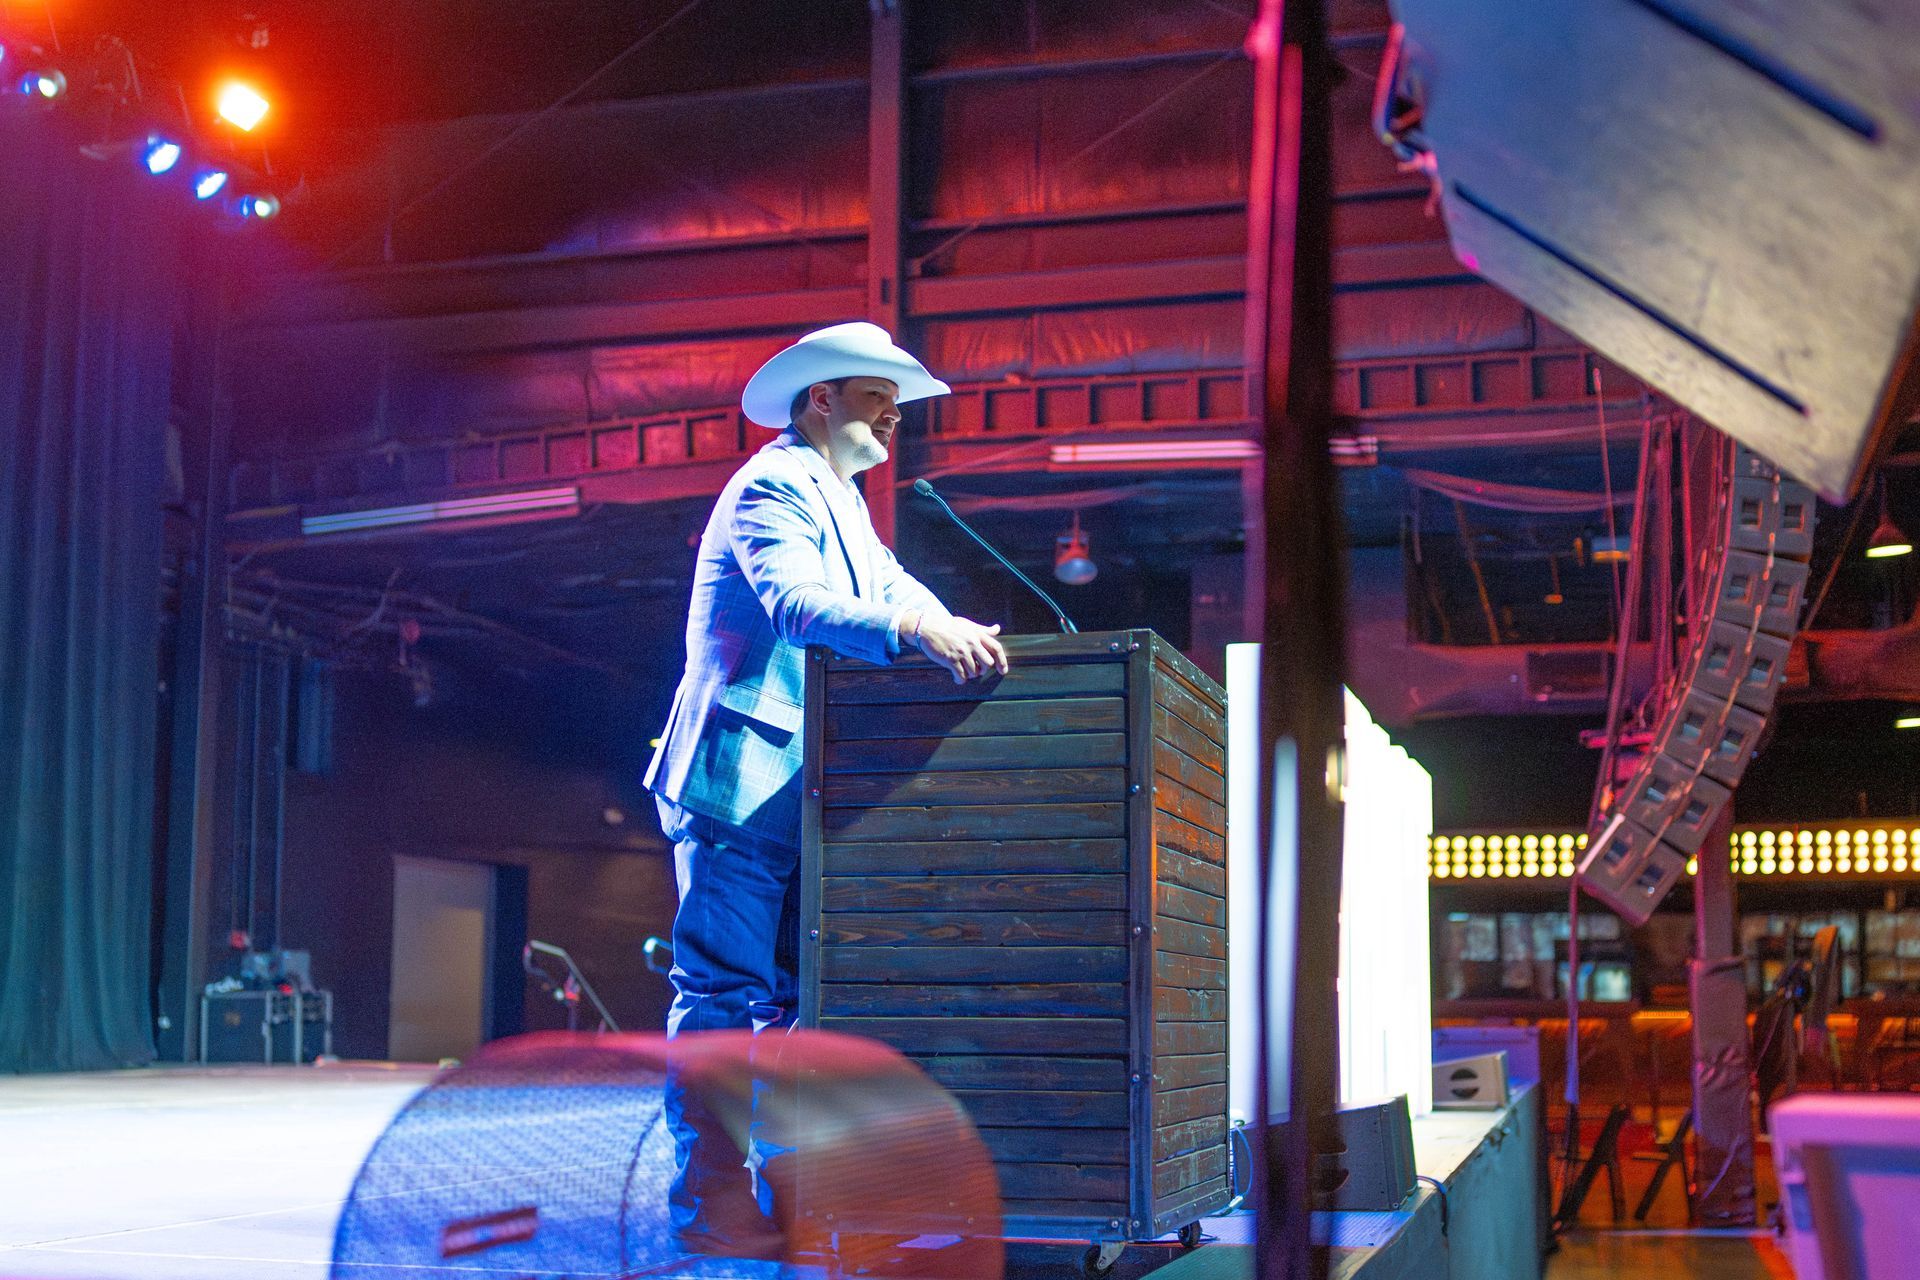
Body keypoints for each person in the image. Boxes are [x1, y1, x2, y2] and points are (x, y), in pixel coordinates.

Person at [643, 322, 1009, 1256]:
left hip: (798, 794)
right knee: (722, 1000)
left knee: (795, 1008)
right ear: (820, 400)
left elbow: (897, 587)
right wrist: (917, 633)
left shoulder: (839, 500)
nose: (895, 414)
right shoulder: (771, 484)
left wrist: (952, 626)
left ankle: (787, 1197)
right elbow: (798, 605)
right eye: (878, 395)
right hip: (737, 782)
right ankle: (708, 1212)